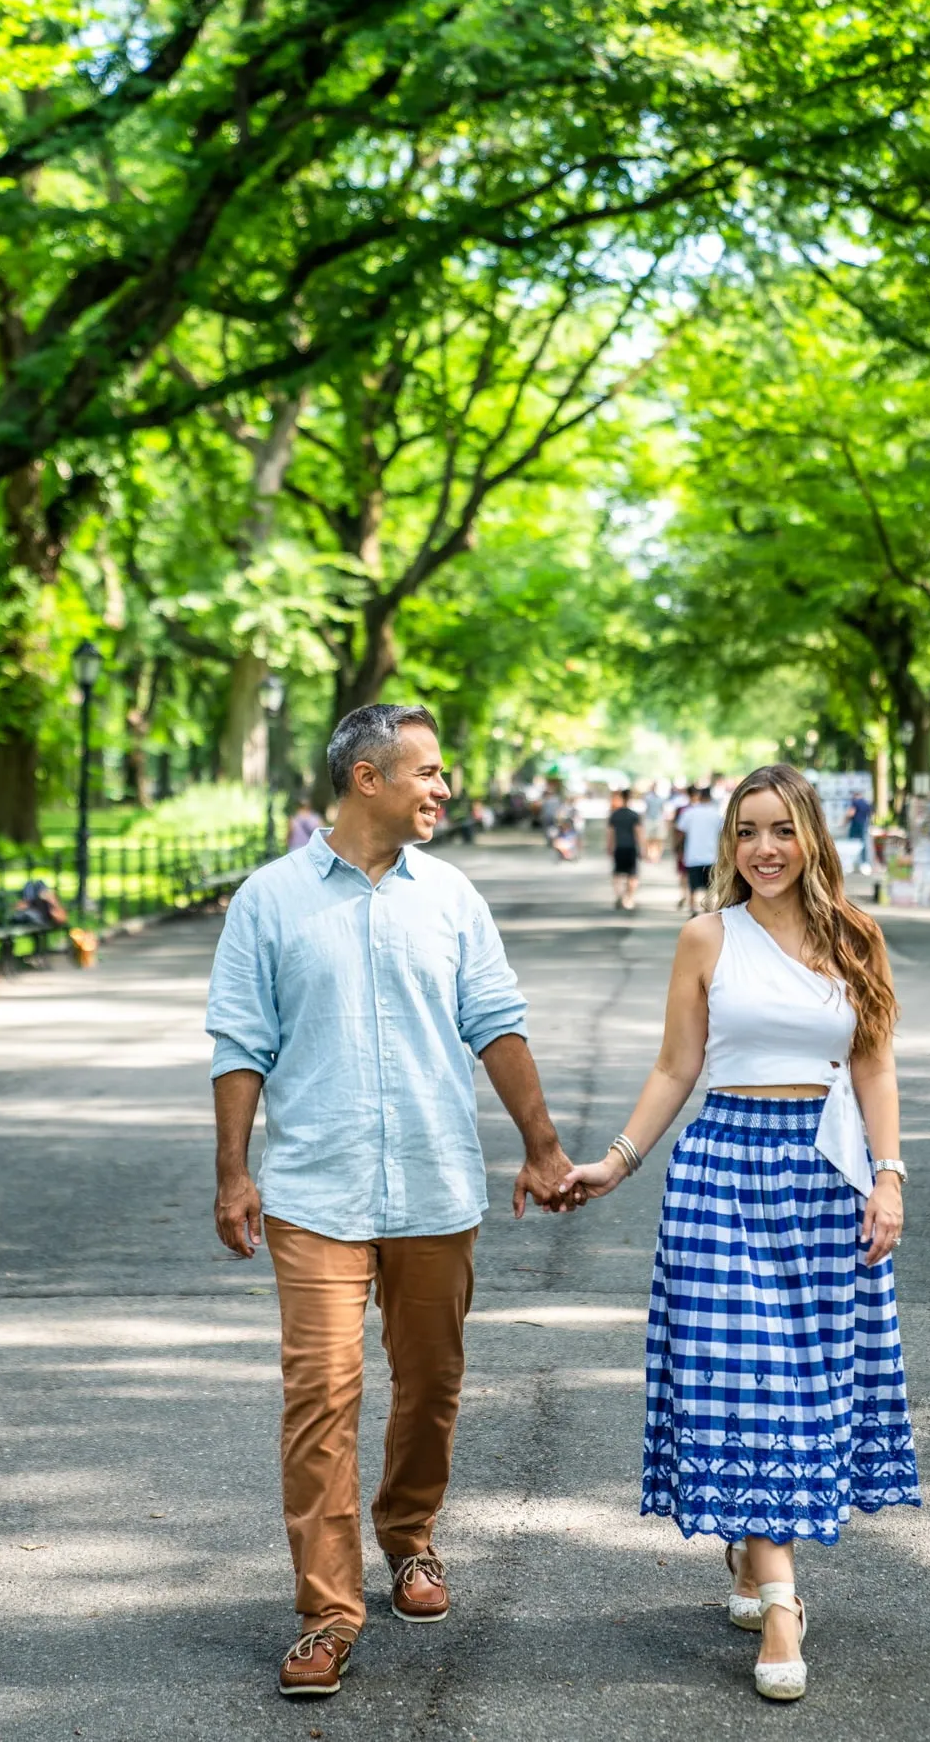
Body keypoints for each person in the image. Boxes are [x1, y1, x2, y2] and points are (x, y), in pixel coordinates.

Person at [206, 703, 584, 1700]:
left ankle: (410, 1536)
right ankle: (328, 1610)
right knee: (320, 1397)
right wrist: (233, 1168)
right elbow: (241, 1042)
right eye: (427, 772)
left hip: (431, 1183)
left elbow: (497, 1025)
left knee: (430, 1383)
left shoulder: (452, 897)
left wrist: (543, 1146)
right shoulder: (270, 900)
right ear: (365, 778)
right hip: (315, 1190)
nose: (444, 788)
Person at [560, 763, 920, 1704]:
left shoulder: (857, 937)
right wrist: (618, 1158)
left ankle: (755, 1551)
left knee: (804, 1384)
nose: (765, 848)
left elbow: (874, 1068)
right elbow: (678, 1067)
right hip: (722, 1174)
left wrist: (888, 1177)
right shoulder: (704, 939)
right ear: (730, 844)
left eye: (782, 829)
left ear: (813, 836)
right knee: (747, 1380)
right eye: (748, 831)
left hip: (825, 1173)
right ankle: (784, 1599)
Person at [675, 783, 723, 915]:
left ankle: (693, 909)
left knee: (694, 886)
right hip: (712, 856)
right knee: (711, 887)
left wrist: (678, 848)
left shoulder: (689, 813)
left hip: (693, 855)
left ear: (700, 797)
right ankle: (709, 910)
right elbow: (723, 834)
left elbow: (680, 832)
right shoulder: (716, 814)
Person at [607, 788, 643, 910]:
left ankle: (619, 895)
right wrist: (642, 848)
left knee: (617, 873)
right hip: (631, 847)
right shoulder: (634, 815)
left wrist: (609, 846)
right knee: (632, 875)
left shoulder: (615, 815)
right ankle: (629, 898)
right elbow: (638, 833)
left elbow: (610, 833)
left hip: (619, 847)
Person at [846, 790, 873, 876]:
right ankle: (864, 863)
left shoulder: (855, 802)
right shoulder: (866, 803)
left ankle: (851, 864)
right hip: (863, 825)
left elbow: (851, 813)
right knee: (863, 844)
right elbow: (870, 814)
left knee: (851, 843)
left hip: (855, 825)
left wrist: (844, 821)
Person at [642, 782, 667, 863]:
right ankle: (649, 856)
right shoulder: (647, 797)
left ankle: (657, 857)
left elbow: (662, 810)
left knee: (658, 839)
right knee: (649, 839)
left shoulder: (661, 798)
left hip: (657, 820)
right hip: (650, 819)